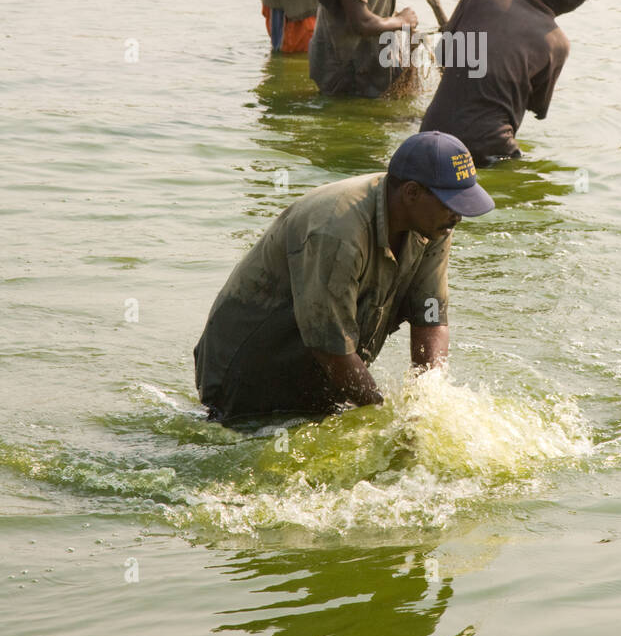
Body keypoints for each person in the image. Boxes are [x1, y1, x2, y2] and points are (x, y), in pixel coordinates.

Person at [193, 131, 495, 422]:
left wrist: (428, 400)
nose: (459, 215)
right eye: (451, 204)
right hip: (249, 370)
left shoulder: (435, 224)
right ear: (412, 192)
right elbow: (331, 346)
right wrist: (385, 416)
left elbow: (429, 313)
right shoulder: (337, 230)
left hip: (322, 370)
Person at [419, 0, 592, 165]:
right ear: (572, 6)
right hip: (489, 152)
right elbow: (537, 108)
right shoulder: (556, 43)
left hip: (429, 136)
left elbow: (444, 54)